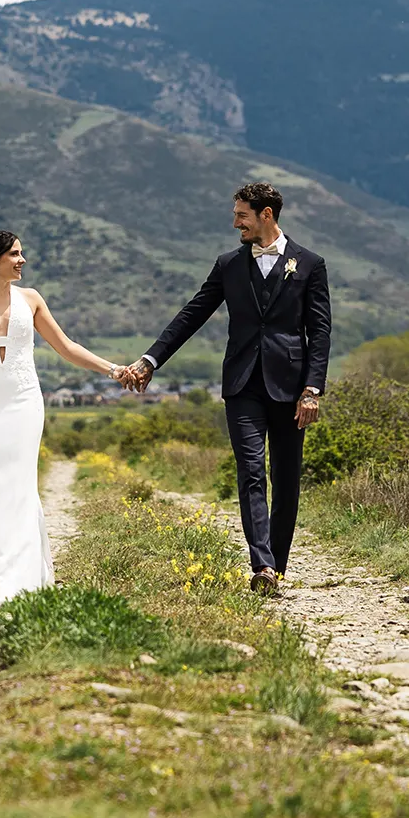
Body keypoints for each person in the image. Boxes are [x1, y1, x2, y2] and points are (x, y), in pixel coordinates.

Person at [118, 183, 331, 595]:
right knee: (251, 471)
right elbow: (192, 314)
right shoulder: (228, 264)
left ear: (266, 215)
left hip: (291, 388)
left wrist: (312, 389)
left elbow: (319, 332)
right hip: (242, 384)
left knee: (286, 480)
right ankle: (263, 567)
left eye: (242, 216)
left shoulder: (310, 264)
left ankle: (278, 566)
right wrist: (150, 360)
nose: (235, 222)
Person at [0, 230, 126, 612]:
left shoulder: (32, 299)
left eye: (22, 254)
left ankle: (18, 581)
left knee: (19, 485)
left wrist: (114, 369)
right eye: (15, 254)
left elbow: (66, 347)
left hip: (23, 403)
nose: (22, 260)